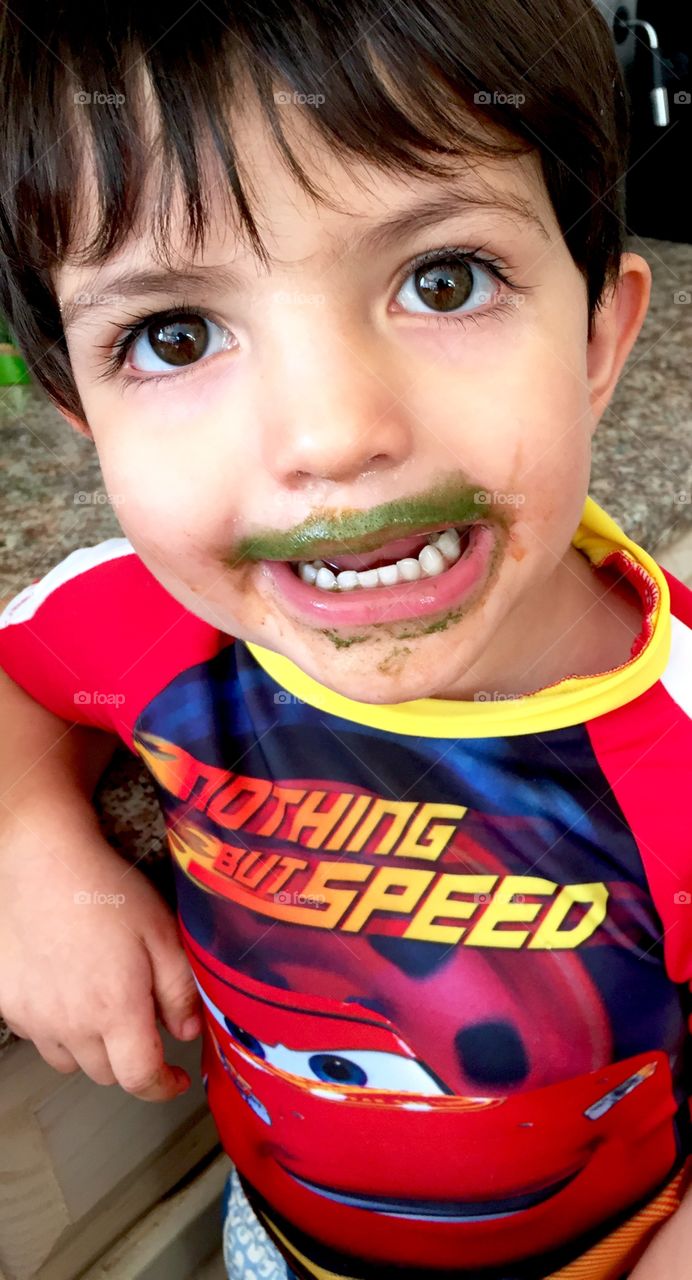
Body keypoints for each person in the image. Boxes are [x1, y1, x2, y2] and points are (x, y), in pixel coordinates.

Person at [0, 2, 691, 1277]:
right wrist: (36, 853)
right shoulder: (149, 622)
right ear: (81, 415)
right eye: (170, 334)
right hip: (271, 1241)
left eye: (443, 279)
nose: (328, 432)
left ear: (597, 335)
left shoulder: (677, 733)